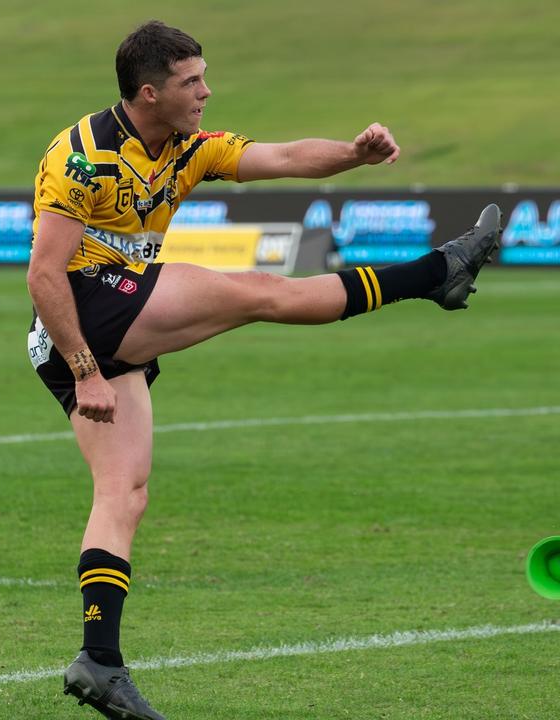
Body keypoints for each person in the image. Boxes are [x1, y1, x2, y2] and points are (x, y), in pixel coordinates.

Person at [25, 20, 502, 720]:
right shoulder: (81, 157)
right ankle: (437, 272)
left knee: (123, 494)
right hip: (82, 312)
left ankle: (99, 658)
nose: (206, 93)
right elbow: (43, 274)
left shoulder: (186, 147)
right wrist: (88, 371)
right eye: (192, 83)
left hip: (92, 330)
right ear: (149, 92)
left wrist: (352, 154)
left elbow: (282, 157)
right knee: (260, 292)